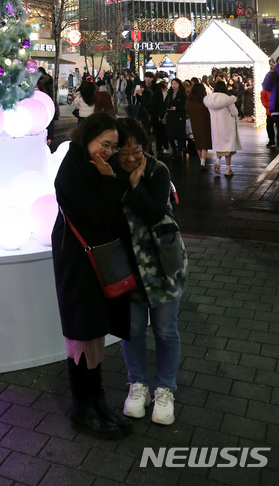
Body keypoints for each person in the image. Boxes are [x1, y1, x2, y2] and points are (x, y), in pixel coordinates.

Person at [52, 113, 134, 439]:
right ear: (88, 138)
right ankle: (82, 408)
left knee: (94, 330)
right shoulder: (72, 171)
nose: (109, 152)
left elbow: (111, 216)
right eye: (105, 144)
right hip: (78, 261)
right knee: (82, 331)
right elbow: (101, 217)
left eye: (113, 147)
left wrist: (108, 177)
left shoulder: (94, 167)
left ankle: (96, 401)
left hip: (94, 259)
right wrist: (109, 179)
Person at [113, 119, 187, 426]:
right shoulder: (108, 174)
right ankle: (138, 384)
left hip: (162, 265)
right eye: (123, 152)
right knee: (131, 330)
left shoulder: (158, 171)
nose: (130, 158)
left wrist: (133, 186)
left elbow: (155, 213)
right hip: (126, 266)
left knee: (165, 330)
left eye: (137, 151)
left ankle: (165, 388)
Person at [203, 81, 241, 176]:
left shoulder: (209, 99)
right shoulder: (227, 99)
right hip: (227, 125)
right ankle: (228, 168)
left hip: (215, 125)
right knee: (228, 147)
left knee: (219, 145)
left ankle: (217, 161)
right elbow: (234, 112)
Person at [262, 55, 279, 166]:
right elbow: (266, 86)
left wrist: (278, 69)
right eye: (277, 62)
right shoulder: (275, 75)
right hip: (276, 109)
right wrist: (271, 72)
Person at [186, 83, 212, 170]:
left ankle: (201, 160)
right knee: (204, 142)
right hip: (205, 123)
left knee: (198, 142)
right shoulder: (205, 100)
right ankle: (202, 162)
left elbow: (187, 111)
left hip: (194, 123)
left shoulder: (189, 101)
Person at [164, 78, 187, 161]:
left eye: (175, 84)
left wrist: (177, 108)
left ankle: (179, 152)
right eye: (172, 84)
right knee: (170, 135)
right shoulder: (169, 94)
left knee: (179, 135)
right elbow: (165, 104)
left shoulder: (182, 94)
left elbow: (185, 106)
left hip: (179, 117)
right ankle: (174, 150)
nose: (173, 86)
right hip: (170, 116)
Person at [36, 67, 58, 144]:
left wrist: (50, 136)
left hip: (42, 130)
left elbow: (49, 119)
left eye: (37, 88)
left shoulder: (44, 80)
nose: (36, 90)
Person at [261, 60, 277, 148]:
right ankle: (271, 140)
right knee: (270, 126)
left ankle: (278, 141)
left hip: (276, 108)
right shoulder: (266, 88)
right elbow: (263, 95)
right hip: (269, 110)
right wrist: (266, 105)